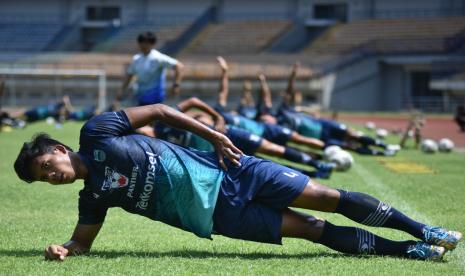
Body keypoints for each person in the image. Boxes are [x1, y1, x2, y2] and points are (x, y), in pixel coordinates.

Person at [14, 103, 461, 262]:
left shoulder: (96, 132)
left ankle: (426, 231)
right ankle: (411, 251)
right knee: (312, 230)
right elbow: (82, 243)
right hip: (217, 214)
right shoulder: (92, 197)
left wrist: (216, 135)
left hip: (231, 170)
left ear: (56, 148)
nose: (51, 177)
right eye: (44, 180)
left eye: (46, 167)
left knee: (329, 197)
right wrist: (65, 249)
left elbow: (162, 111)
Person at [154, 97, 334, 178]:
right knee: (264, 165)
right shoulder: (155, 144)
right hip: (218, 152)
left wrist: (217, 116)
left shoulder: (162, 120)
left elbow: (193, 101)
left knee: (272, 148)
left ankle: (315, 163)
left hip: (227, 134)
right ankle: (311, 174)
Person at [214, 57, 324, 150]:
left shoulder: (276, 114)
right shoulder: (257, 122)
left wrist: (263, 81)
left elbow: (271, 96)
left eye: (266, 118)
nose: (265, 119)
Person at [117, 31, 184, 106]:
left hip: (156, 98)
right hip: (140, 97)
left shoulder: (158, 57)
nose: (143, 45)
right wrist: (121, 91)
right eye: (141, 42)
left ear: (152, 44)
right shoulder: (136, 59)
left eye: (146, 43)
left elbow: (179, 66)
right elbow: (129, 75)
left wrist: (176, 85)